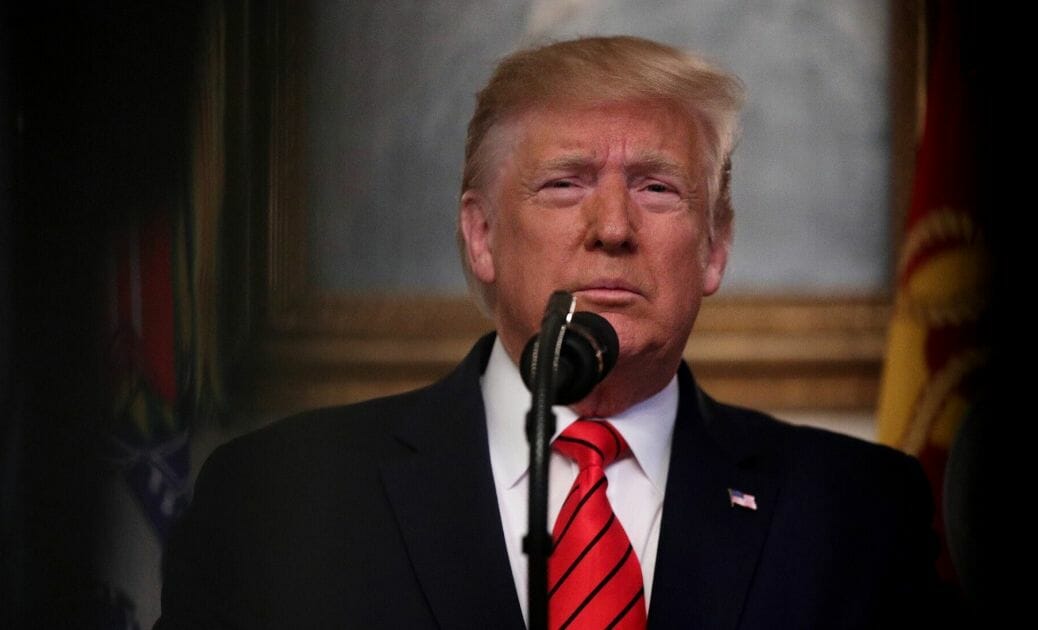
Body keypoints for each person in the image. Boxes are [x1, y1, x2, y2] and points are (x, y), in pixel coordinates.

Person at [157, 35, 943, 629]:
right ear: (481, 235)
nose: (611, 228)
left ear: (716, 246)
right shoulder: (280, 497)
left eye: (658, 188)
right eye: (564, 184)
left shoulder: (857, 512)